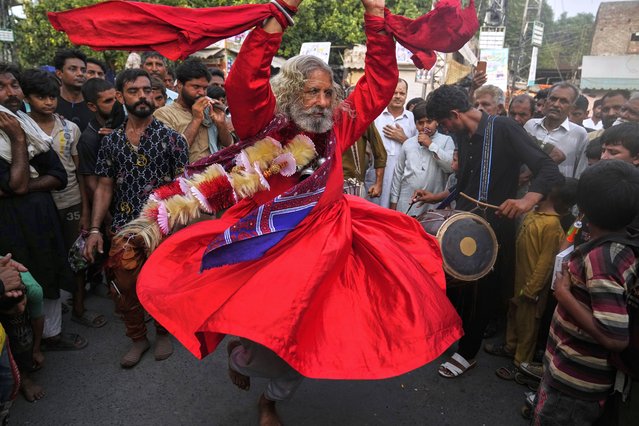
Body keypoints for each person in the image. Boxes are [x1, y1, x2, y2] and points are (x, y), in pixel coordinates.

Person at [116, 0, 477, 423]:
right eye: (312, 91)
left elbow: (379, 83)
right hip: (272, 243)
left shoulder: (340, 124)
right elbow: (245, 79)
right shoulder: (265, 123)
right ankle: (245, 359)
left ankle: (270, 397)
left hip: (334, 240)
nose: (323, 101)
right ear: (291, 93)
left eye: (328, 92)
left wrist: (376, 19)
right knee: (270, 331)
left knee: (314, 339)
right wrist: (279, 15)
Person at [422, 84, 563, 378]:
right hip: (462, 221)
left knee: (481, 292)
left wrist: (527, 199)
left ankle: (468, 352)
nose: (446, 130)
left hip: (494, 225)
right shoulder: (462, 133)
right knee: (455, 285)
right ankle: (453, 337)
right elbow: (464, 182)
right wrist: (442, 203)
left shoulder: (505, 127)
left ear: (453, 114)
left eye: (445, 124)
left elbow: (548, 168)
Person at [83, 69, 189, 368]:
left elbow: (184, 187)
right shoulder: (111, 142)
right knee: (124, 286)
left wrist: (178, 225)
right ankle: (138, 338)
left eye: (147, 90)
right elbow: (104, 186)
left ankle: (163, 331)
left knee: (161, 285)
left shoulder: (173, 140)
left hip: (162, 226)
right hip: (123, 227)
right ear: (120, 97)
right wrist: (94, 229)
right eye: (134, 91)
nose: (142, 96)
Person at [532, 160, 639, 425]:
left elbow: (614, 337)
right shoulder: (620, 244)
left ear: (585, 206)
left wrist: (564, 293)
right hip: (570, 371)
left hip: (575, 381)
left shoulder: (602, 260)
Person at [0, 63, 86, 351]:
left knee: (49, 271)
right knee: (17, 284)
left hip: (41, 215)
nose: (10, 93)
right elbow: (20, 181)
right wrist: (16, 141)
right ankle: (25, 351)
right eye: (2, 87)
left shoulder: (25, 125)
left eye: (14, 85)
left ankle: (51, 335)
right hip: (9, 223)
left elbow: (57, 176)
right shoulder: (18, 130)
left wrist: (18, 188)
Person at [21, 69, 107, 329]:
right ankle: (47, 318)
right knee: (43, 257)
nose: (48, 102)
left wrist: (84, 210)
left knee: (78, 257)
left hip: (70, 201)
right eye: (40, 97)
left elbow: (79, 172)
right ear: (27, 98)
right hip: (38, 203)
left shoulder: (69, 129)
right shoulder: (20, 127)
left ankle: (80, 306)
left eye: (52, 97)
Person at [489, 180, 577, 378]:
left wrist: (532, 289)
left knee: (527, 325)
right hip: (517, 280)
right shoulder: (533, 214)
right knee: (513, 315)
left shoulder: (552, 225)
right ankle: (510, 347)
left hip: (531, 288)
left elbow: (545, 264)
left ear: (547, 195)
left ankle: (521, 363)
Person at [154, 58, 232, 162]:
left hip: (214, 173)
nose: (202, 93)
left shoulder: (210, 110)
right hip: (184, 177)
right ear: (180, 85)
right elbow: (174, 153)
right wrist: (196, 119)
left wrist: (221, 123)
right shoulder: (163, 114)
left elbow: (229, 146)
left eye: (204, 88)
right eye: (196, 87)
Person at [389, 102, 454, 215]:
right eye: (420, 123)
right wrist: (394, 201)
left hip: (433, 203)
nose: (425, 127)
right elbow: (398, 174)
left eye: (429, 122)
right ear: (415, 124)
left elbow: (450, 167)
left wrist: (430, 145)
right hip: (407, 202)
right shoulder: (408, 144)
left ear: (437, 122)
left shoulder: (446, 141)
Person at [524, 82, 589, 178]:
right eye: (553, 99)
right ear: (546, 102)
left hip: (558, 191)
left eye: (563, 101)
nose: (556, 104)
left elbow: (580, 171)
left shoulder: (579, 134)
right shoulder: (530, 125)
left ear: (572, 107)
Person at [370, 78, 417, 207]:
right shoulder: (376, 115)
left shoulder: (412, 118)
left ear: (406, 95)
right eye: (394, 92)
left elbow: (419, 151)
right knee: (372, 211)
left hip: (401, 175)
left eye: (402, 93)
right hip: (376, 173)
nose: (398, 97)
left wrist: (404, 139)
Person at [53, 49, 92, 132]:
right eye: (73, 69)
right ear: (59, 74)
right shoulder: (50, 101)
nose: (80, 74)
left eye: (83, 70)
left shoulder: (94, 101)